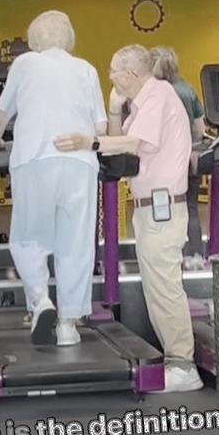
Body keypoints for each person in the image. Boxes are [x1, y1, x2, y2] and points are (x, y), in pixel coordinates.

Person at [54, 45, 201, 392]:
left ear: (132, 73)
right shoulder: (144, 101)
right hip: (151, 207)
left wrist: (89, 141)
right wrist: (114, 109)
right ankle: (177, 361)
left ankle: (183, 366)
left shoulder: (158, 96)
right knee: (157, 288)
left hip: (162, 207)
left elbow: (135, 143)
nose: (110, 77)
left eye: (113, 71)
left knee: (165, 289)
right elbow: (122, 141)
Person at [0, 11, 106, 346]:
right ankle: (68, 325)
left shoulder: (24, 63)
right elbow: (100, 128)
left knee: (28, 236)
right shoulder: (86, 68)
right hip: (80, 163)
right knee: (76, 243)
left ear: (35, 38)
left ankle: (41, 300)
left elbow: (0, 114)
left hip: (34, 158)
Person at [150, 46, 207, 269]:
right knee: (190, 206)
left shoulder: (153, 93)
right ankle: (195, 256)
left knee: (163, 208)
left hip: (162, 161)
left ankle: (168, 256)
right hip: (188, 158)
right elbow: (200, 129)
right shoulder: (187, 89)